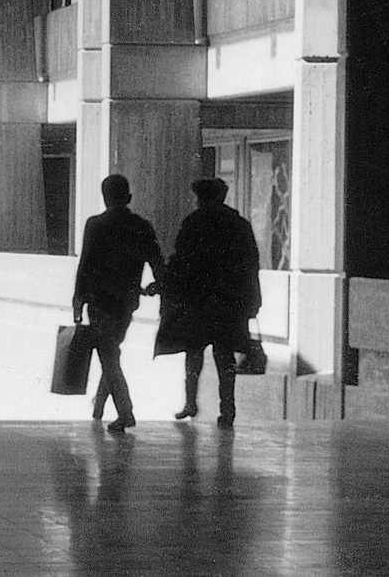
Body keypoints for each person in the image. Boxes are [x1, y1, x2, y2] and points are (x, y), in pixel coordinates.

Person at [156, 177, 262, 428]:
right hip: (229, 302)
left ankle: (190, 402)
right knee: (225, 356)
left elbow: (181, 260)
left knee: (194, 352)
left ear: (201, 198)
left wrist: (166, 285)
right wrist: (253, 299)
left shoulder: (194, 223)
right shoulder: (239, 225)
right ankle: (227, 409)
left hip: (198, 300)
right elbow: (251, 265)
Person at [71, 173, 165, 432]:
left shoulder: (95, 225)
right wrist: (157, 286)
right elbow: (157, 261)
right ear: (129, 197)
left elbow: (85, 265)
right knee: (111, 350)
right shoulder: (141, 226)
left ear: (104, 197)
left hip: (99, 301)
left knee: (108, 353)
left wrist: (78, 300)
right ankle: (100, 406)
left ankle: (125, 412)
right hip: (126, 302)